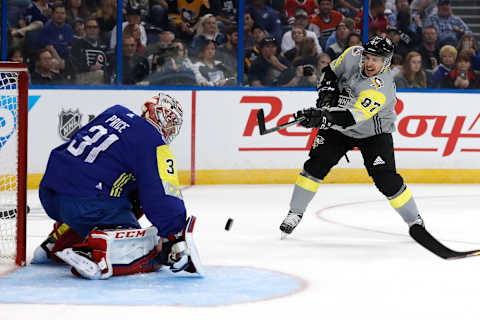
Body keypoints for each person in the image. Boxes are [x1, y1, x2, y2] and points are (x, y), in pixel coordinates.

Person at [32, 93, 204, 279]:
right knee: (149, 249)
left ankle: (57, 242)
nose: (170, 130)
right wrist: (173, 236)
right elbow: (162, 193)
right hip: (88, 203)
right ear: (161, 117)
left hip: (52, 189)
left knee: (134, 194)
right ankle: (97, 253)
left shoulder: (115, 113)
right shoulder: (153, 142)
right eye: (170, 123)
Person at [280, 36, 425, 242]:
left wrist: (322, 118)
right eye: (368, 57)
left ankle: (414, 220)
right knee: (314, 166)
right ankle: (295, 212)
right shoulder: (353, 54)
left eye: (376, 59)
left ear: (387, 62)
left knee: (386, 180)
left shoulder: (381, 87)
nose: (369, 63)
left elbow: (350, 118)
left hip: (373, 133)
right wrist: (327, 90)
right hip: (337, 127)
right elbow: (330, 71)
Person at [70, 17, 109, 85]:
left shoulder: (103, 43)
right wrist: (89, 68)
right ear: (85, 29)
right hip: (82, 75)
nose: (92, 30)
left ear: (98, 29)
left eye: (95, 27)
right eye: (89, 27)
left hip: (101, 74)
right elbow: (73, 65)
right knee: (100, 73)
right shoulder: (78, 44)